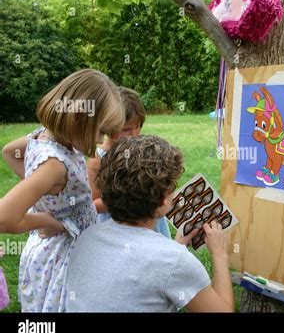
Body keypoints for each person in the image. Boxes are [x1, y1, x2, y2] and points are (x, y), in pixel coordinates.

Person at [0, 69, 124, 312]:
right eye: (101, 131)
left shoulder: (41, 138)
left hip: (65, 247)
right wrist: (50, 219)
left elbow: (9, 152)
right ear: (78, 117)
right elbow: (4, 218)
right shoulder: (55, 166)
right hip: (61, 257)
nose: (102, 141)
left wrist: (47, 196)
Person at [65, 135, 234, 312]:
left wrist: (177, 246)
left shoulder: (86, 237)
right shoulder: (176, 261)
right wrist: (219, 255)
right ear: (163, 200)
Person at [87, 87, 171, 238]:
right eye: (126, 129)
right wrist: (129, 198)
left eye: (138, 126)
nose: (134, 134)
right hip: (117, 226)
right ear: (109, 127)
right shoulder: (98, 158)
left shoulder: (142, 150)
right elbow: (93, 204)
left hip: (148, 219)